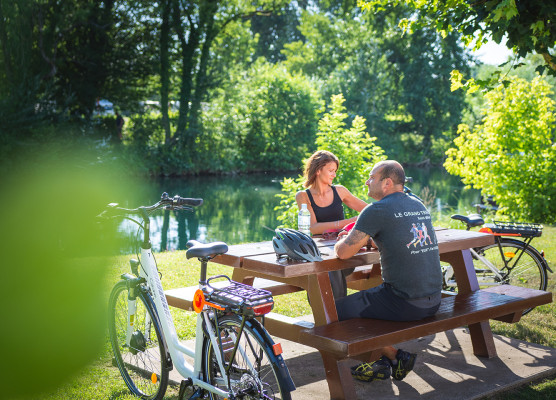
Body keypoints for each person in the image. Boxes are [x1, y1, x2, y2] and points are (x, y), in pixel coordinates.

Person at [334, 160, 442, 383]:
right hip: (434, 300)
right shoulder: (417, 204)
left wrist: (342, 240)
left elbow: (343, 253)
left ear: (387, 182)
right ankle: (382, 360)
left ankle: (392, 356)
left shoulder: (376, 209)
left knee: (332, 312)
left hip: (405, 303)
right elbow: (401, 236)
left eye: (371, 177)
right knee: (369, 299)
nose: (367, 181)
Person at [295, 150, 367, 299]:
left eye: (335, 171)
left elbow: (369, 210)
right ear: (318, 170)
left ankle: (331, 314)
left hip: (343, 250)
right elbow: (312, 228)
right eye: (331, 170)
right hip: (318, 252)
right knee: (327, 267)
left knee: (329, 269)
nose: (334, 174)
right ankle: (335, 313)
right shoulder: (303, 196)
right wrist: (348, 222)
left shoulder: (340, 191)